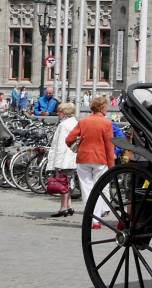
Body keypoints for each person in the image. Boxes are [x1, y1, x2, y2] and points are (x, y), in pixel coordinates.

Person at [66, 96, 116, 231]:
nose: (107, 110)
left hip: (83, 158)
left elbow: (69, 139)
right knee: (98, 190)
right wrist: (111, 166)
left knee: (86, 190)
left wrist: (76, 146)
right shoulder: (107, 123)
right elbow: (109, 146)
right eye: (105, 107)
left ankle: (88, 219)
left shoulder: (83, 121)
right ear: (101, 108)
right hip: (100, 159)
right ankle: (96, 221)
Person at [47, 103, 78, 218]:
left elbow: (60, 145)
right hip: (71, 158)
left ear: (65, 112)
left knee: (62, 183)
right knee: (68, 182)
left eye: (59, 111)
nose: (57, 114)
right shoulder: (74, 123)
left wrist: (57, 164)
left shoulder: (64, 125)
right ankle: (69, 206)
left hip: (64, 159)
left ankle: (63, 207)